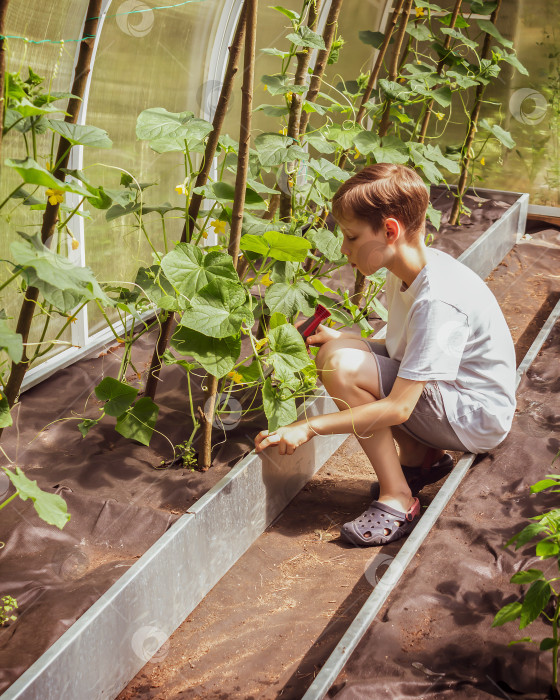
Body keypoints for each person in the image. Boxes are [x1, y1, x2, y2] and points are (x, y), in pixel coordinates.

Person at [254, 163, 517, 547]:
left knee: (341, 366)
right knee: (338, 350)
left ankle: (398, 499)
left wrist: (307, 427)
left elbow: (399, 409)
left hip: (474, 417)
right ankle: (420, 458)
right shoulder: (409, 270)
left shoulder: (437, 300)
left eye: (351, 236)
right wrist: (345, 338)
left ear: (390, 231)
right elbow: (409, 355)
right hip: (449, 394)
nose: (343, 249)